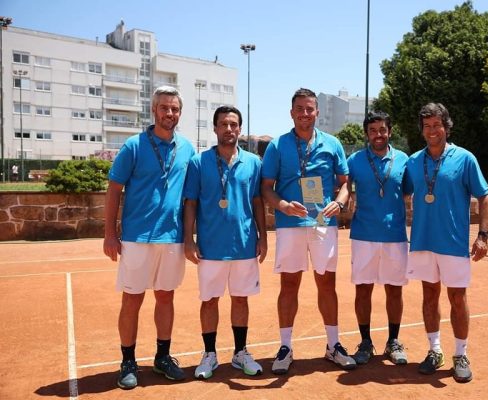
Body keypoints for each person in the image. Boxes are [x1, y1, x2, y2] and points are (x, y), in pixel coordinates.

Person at [103, 86, 196, 390]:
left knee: (166, 297)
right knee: (132, 300)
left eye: (175, 109)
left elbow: (191, 197)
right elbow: (114, 190)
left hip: (172, 238)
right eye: (165, 108)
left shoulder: (187, 149)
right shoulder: (133, 145)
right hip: (137, 237)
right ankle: (128, 361)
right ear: (154, 110)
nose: (170, 113)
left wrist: (193, 236)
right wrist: (110, 234)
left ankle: (162, 357)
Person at [261, 88, 356, 375]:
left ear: (317, 112)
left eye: (309, 109)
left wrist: (339, 203)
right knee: (289, 285)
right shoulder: (278, 146)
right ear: (292, 113)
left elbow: (344, 182)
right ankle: (286, 347)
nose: (305, 114)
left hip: (322, 224)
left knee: (327, 283)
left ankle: (333, 345)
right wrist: (283, 205)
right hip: (290, 225)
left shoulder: (333, 144)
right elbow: (266, 188)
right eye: (299, 109)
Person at [405, 103, 488, 383]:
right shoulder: (413, 161)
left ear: (446, 126)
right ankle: (434, 351)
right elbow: (399, 190)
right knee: (429, 295)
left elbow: (485, 197)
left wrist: (483, 235)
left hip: (454, 244)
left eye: (437, 125)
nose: (432, 131)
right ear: (422, 130)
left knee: (457, 297)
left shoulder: (465, 158)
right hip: (422, 242)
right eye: (427, 126)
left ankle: (460, 353)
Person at [183, 106, 267, 379]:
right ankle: (209, 354)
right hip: (210, 247)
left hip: (244, 245)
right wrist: (189, 239)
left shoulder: (254, 162)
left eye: (233, 124)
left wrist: (263, 236)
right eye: (223, 124)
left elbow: (257, 201)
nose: (229, 129)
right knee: (209, 301)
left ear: (239, 129)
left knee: (241, 299)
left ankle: (240, 353)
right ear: (215, 128)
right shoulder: (199, 162)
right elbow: (191, 203)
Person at [338, 111, 410, 366]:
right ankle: (366, 342)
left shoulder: (404, 160)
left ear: (390, 131)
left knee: (394, 289)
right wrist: (339, 203)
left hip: (395, 236)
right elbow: (346, 185)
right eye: (372, 131)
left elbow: (409, 192)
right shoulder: (355, 160)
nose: (378, 135)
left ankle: (393, 341)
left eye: (382, 130)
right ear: (366, 134)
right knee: (363, 289)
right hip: (363, 236)